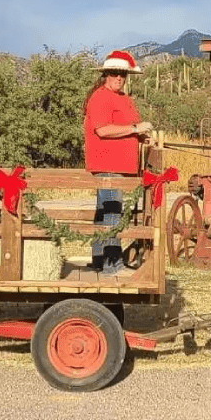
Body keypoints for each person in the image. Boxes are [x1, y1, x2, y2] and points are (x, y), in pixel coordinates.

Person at [83, 50, 153, 276]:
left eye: (123, 74)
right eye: (114, 73)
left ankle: (99, 260)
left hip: (121, 166)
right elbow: (103, 130)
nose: (119, 78)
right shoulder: (101, 97)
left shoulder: (123, 98)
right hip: (108, 165)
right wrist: (135, 129)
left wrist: (140, 136)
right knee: (112, 213)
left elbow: (127, 128)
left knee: (105, 212)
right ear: (105, 74)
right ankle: (111, 263)